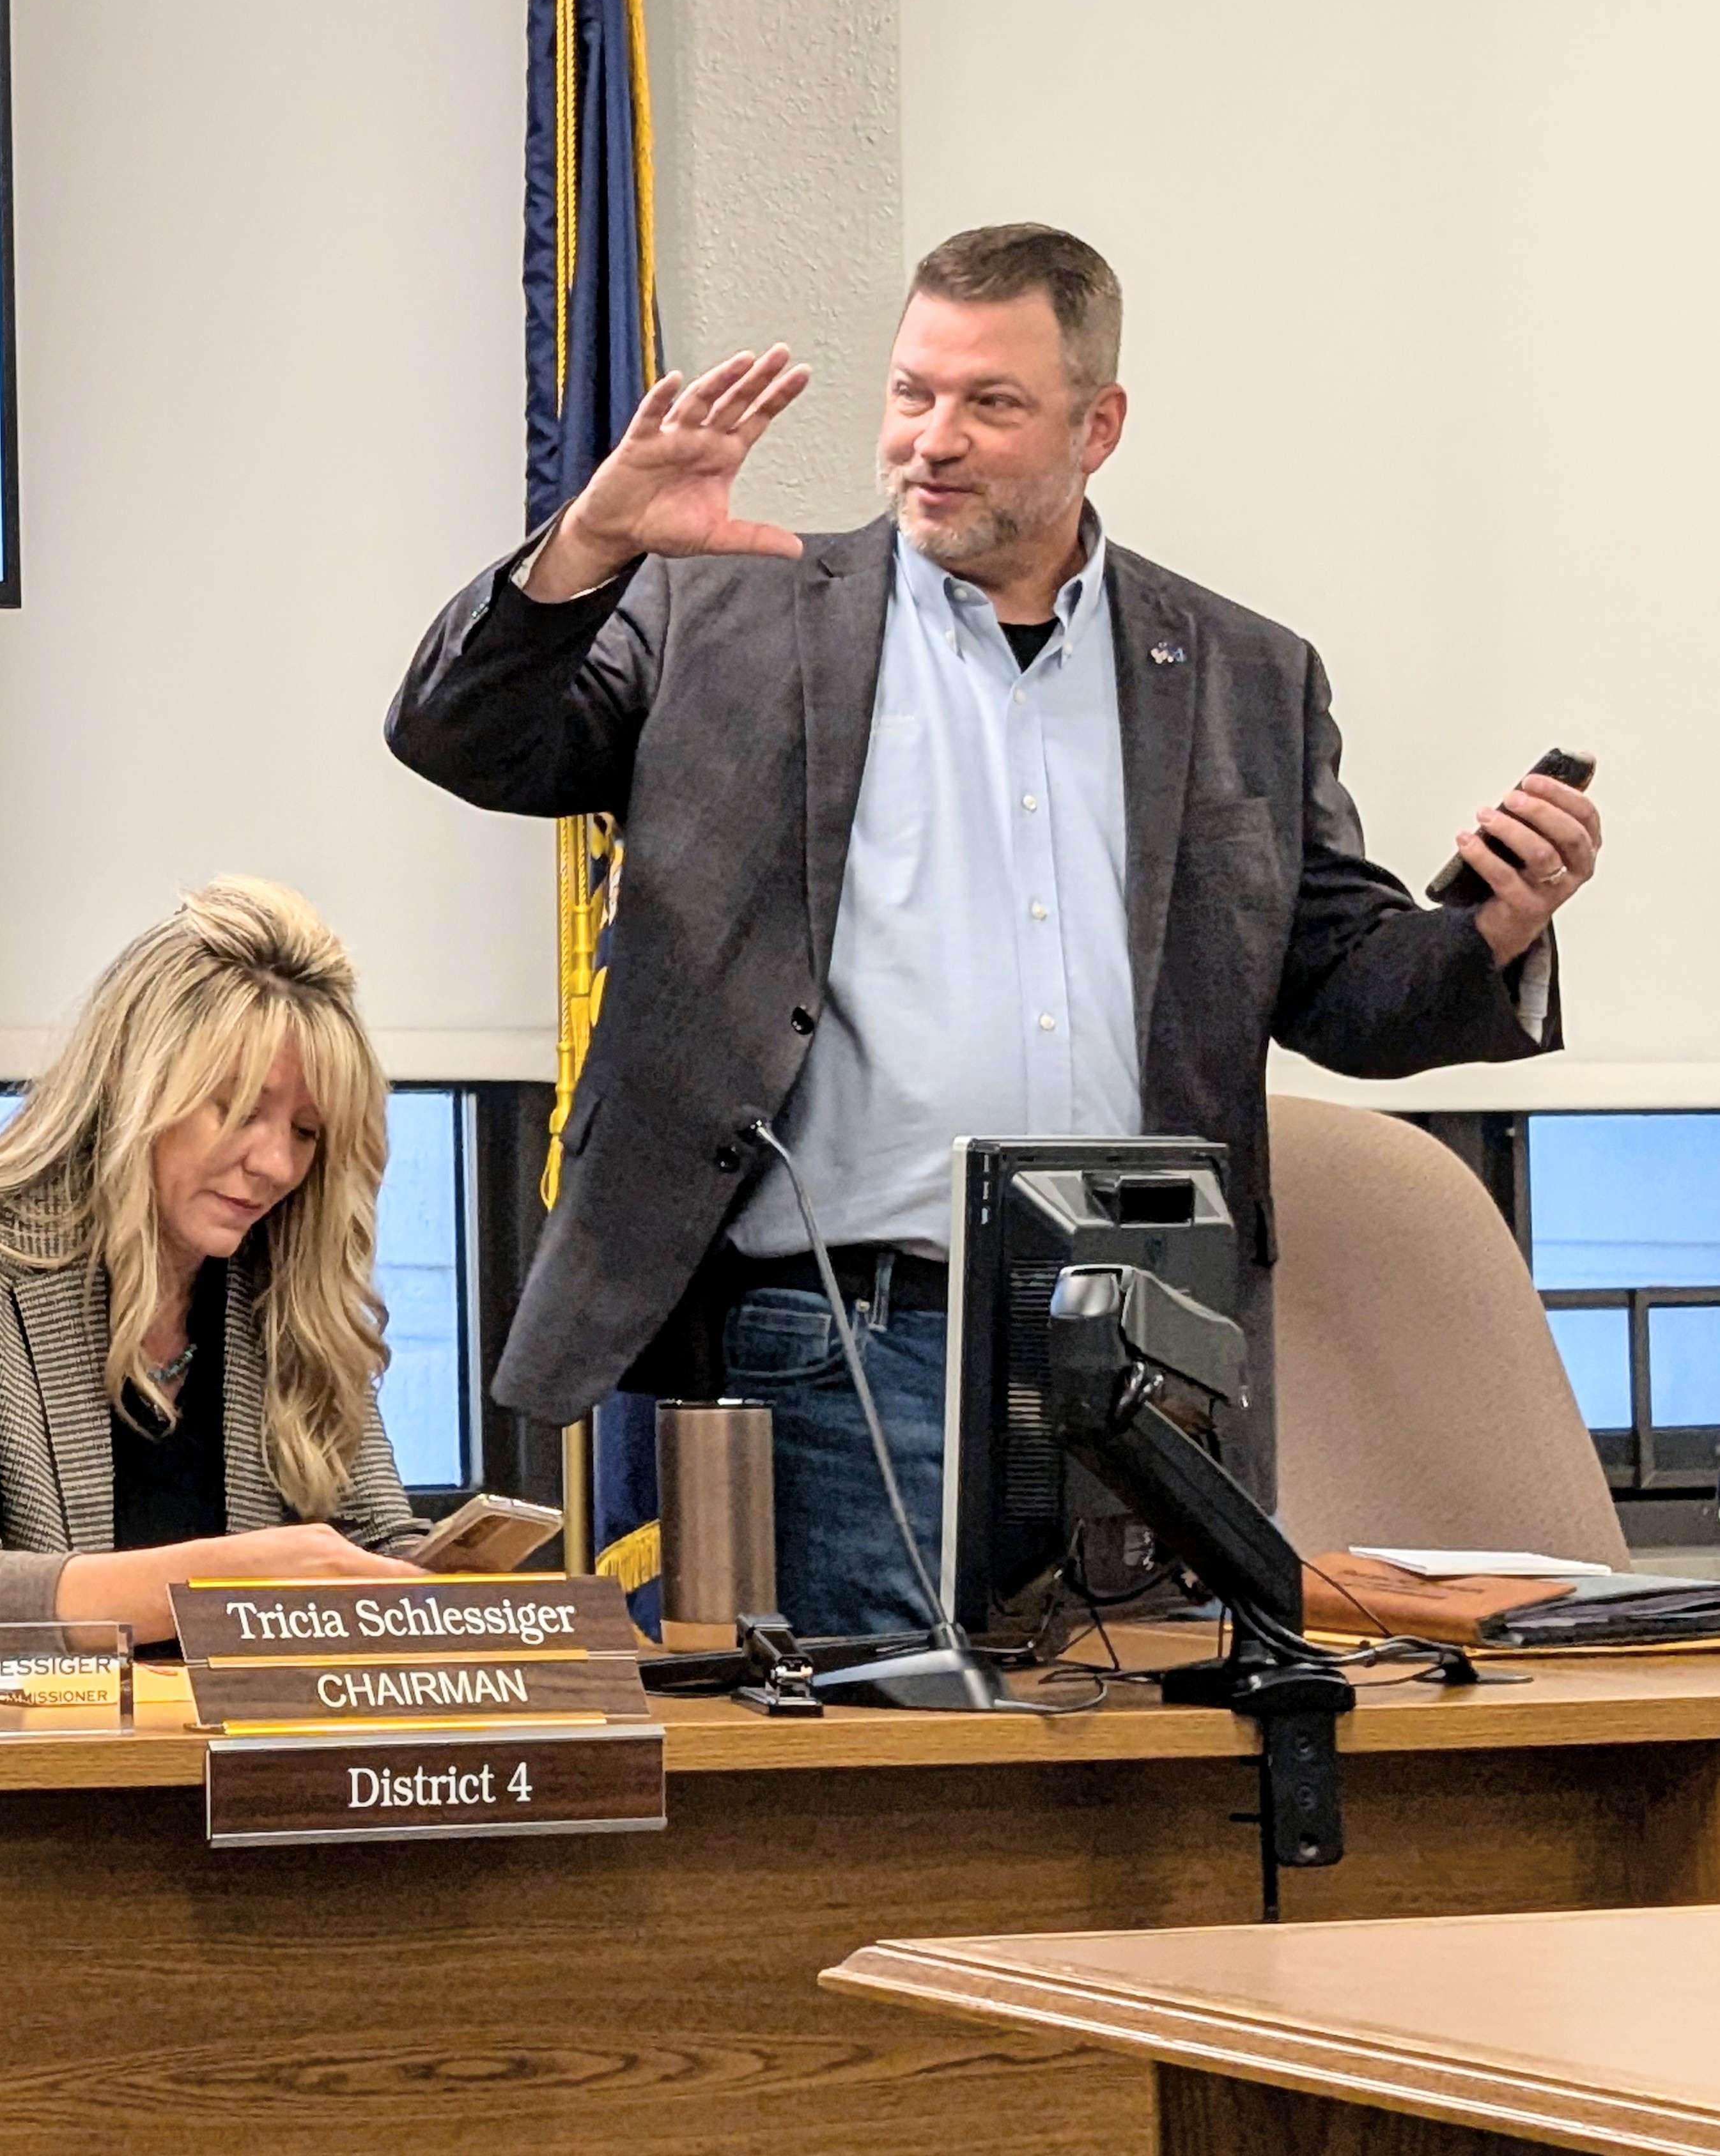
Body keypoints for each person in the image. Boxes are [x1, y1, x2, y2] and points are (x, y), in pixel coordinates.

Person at [388, 223, 1597, 1636]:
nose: (930, 441)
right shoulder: (730, 610)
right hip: (843, 1336)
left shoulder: (1239, 671)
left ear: (1101, 424)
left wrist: (1491, 929)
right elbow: (462, 737)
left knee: (1141, 1781)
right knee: (889, 1798)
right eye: (911, 394)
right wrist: (592, 539)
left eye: (989, 404)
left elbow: (1331, 984)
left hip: (1144, 1343)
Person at [0, 877, 430, 1638]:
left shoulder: (284, 1280)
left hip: (235, 1748)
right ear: (131, 1081)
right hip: (20, 1749)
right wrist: (238, 1579)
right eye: (240, 1109)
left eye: (306, 1132)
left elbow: (375, 1538)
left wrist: (434, 1572)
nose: (276, 1163)